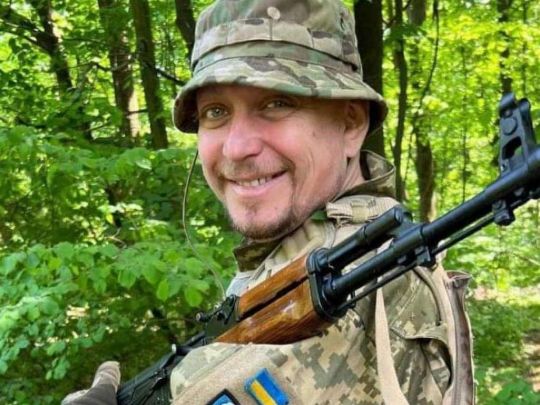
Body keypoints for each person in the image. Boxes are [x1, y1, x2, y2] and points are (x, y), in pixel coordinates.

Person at [65, 0, 474, 404]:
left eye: (277, 103)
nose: (237, 147)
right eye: (216, 112)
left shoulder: (350, 284)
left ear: (350, 123)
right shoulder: (344, 245)